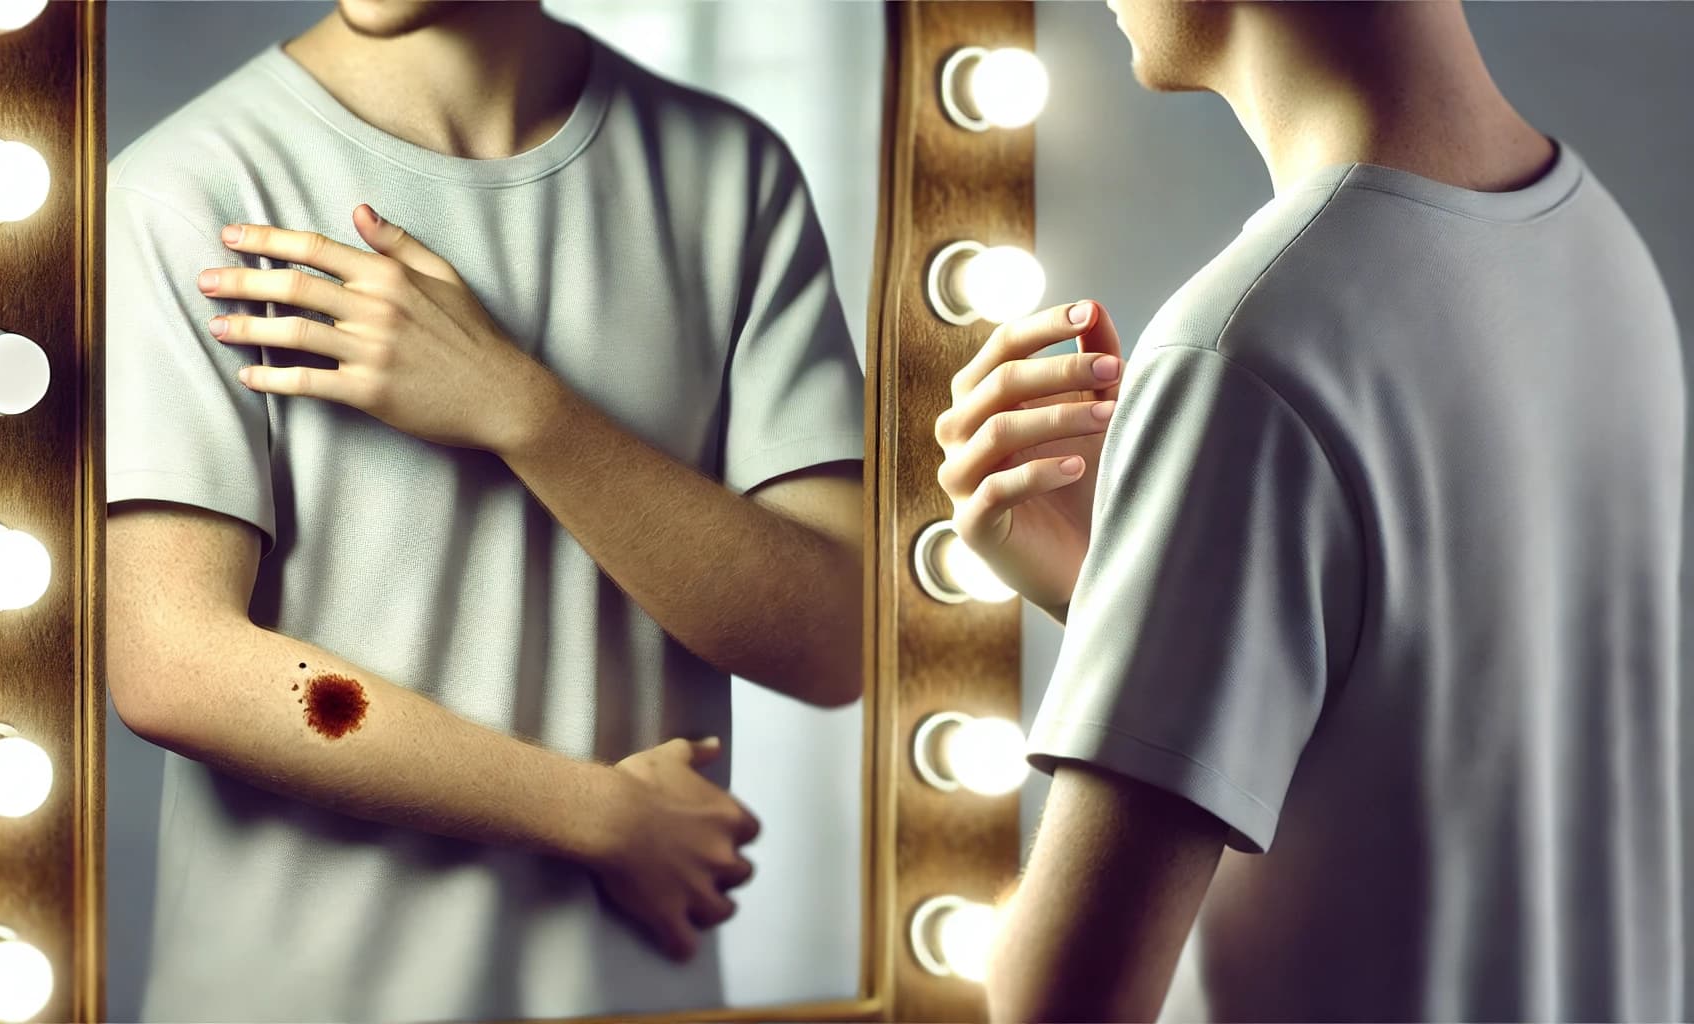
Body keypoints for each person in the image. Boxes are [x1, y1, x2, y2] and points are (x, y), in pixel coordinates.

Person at [104, 2, 865, 1021]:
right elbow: (177, 663)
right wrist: (597, 813)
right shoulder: (191, 191)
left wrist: (525, 410)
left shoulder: (731, 176)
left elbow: (837, 640)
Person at [935, 2, 1683, 1020]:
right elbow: (1412, 765)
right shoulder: (1598, 248)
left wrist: (1125, 637)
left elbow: (1056, 999)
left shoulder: (1249, 350)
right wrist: (1120, 598)